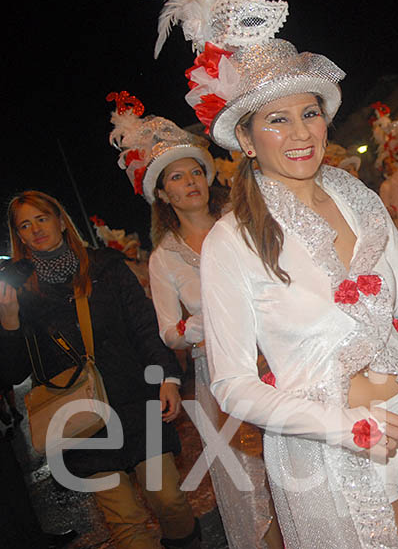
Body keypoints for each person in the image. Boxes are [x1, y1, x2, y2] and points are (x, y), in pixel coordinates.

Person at [144, 0, 398, 547]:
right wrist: (342, 427)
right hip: (328, 449)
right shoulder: (232, 241)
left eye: (309, 113)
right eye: (276, 121)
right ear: (243, 138)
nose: (301, 133)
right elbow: (233, 385)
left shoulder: (362, 199)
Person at [106, 90, 284, 548]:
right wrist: (208, 322)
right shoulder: (164, 257)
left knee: (294, 457)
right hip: (220, 371)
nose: (190, 183)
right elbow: (169, 331)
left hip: (277, 352)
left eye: (195, 173)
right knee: (247, 474)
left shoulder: (241, 222)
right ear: (162, 194)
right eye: (177, 178)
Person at [0, 191, 199, 548]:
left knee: (168, 500)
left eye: (42, 219)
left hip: (135, 401)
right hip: (78, 418)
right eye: (25, 226)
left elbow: (144, 325)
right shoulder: (21, 294)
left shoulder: (105, 266)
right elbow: (12, 373)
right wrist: (10, 322)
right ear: (19, 238)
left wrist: (167, 378)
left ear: (61, 221)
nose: (36, 230)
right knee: (125, 521)